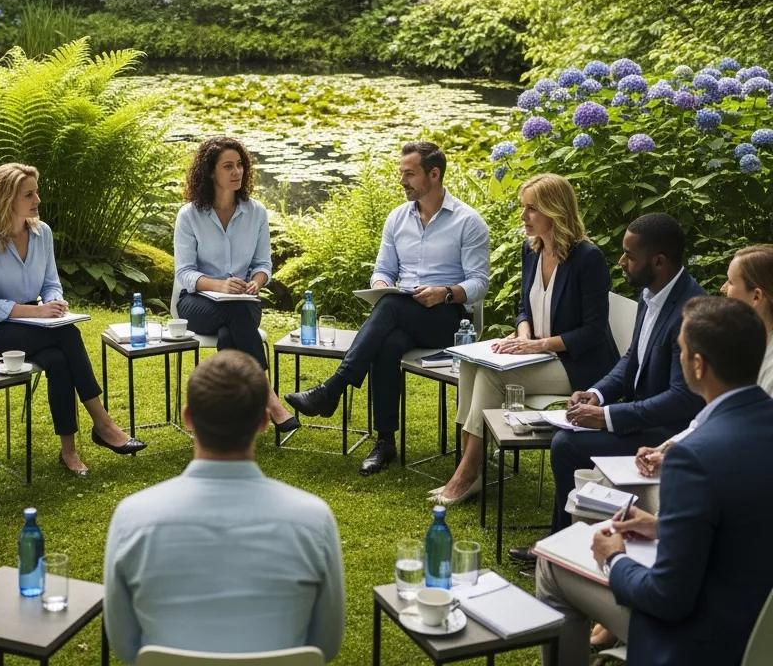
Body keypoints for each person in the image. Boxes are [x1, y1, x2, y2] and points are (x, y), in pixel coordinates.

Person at [536, 296, 773, 666]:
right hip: (761, 631)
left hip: (702, 642)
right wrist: (663, 526)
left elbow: (668, 597)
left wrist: (613, 559)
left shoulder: (692, 457)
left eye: (680, 350)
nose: (679, 358)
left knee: (552, 567)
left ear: (697, 365)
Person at [104, 350, 345, 662]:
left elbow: (126, 646)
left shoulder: (132, 517)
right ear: (263, 421)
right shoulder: (314, 520)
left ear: (188, 418)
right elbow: (325, 644)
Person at [287, 140, 489, 475]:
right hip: (403, 311)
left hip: (449, 318)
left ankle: (333, 389)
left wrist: (444, 292)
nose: (402, 181)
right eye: (402, 174)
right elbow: (383, 270)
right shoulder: (398, 218)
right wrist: (381, 285)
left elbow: (479, 283)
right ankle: (385, 442)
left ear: (434, 174)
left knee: (392, 308)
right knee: (388, 342)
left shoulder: (468, 222)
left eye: (410, 174)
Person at [513, 212, 704, 564]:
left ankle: (561, 543)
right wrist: (597, 393)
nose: (621, 261)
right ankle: (565, 540)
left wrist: (608, 417)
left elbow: (682, 400)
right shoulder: (653, 294)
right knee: (567, 438)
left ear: (658, 262)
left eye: (630, 256)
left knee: (567, 443)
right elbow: (632, 357)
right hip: (643, 415)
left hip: (667, 433)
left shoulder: (690, 311)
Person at [432, 174, 617, 504]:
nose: (524, 216)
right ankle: (468, 463)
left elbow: (594, 331)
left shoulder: (588, 259)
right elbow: (523, 308)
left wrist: (538, 345)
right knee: (472, 365)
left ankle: (468, 473)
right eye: (524, 208)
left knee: (492, 374)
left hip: (577, 364)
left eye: (532, 209)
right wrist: (524, 334)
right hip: (538, 354)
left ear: (555, 211)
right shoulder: (532, 250)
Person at [0, 162, 145, 477]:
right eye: (29, 194)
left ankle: (69, 451)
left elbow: (51, 282)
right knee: (68, 337)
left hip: (38, 328)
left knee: (59, 359)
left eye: (37, 192)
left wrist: (53, 302)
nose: (38, 200)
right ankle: (104, 425)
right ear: (6, 198)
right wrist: (36, 312)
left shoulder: (41, 233)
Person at [173, 136, 298, 433]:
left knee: (234, 326)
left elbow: (263, 265)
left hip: (243, 302)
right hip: (195, 302)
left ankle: (232, 414)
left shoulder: (256, 212)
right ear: (210, 172)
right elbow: (185, 273)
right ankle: (269, 400)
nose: (237, 172)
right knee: (235, 319)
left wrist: (256, 283)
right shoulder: (189, 215)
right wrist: (219, 285)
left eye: (240, 165)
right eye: (228, 166)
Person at [633, 242, 773, 479]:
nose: (722, 288)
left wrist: (682, 457)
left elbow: (750, 437)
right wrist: (667, 447)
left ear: (756, 296)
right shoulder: (744, 342)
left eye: (730, 282)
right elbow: (716, 414)